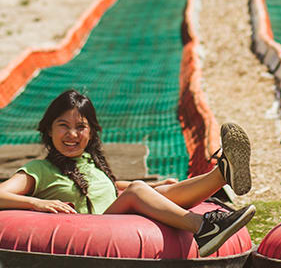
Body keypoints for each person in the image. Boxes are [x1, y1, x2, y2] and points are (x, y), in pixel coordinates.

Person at [0, 89, 256, 258]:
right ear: (49, 130)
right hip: (91, 230)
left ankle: (222, 174)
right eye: (63, 126)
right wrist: (37, 203)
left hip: (115, 217)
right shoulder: (39, 169)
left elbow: (106, 188)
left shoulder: (90, 162)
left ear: (91, 132)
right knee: (136, 190)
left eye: (81, 127)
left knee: (154, 189)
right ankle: (203, 227)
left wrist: (154, 188)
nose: (72, 134)